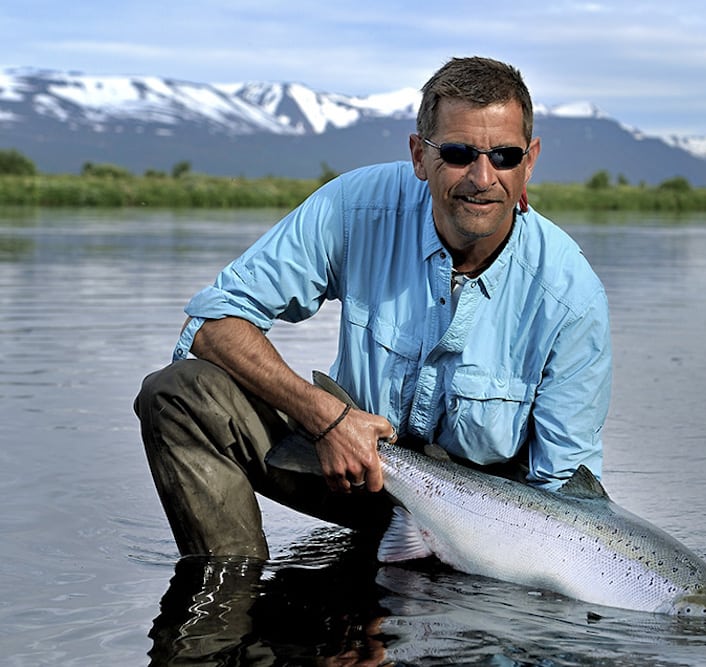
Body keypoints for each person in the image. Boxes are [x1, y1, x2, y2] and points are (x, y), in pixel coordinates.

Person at [134, 56, 612, 560]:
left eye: (505, 156)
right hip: (345, 467)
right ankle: (227, 595)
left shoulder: (572, 298)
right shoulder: (353, 208)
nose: (482, 176)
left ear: (529, 161)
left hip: (479, 526)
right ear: (419, 156)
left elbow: (566, 495)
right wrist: (325, 416)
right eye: (457, 152)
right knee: (178, 393)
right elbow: (212, 324)